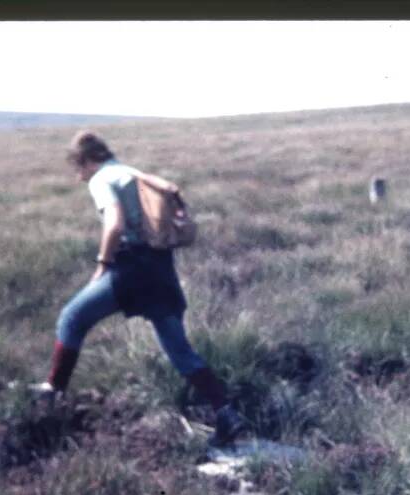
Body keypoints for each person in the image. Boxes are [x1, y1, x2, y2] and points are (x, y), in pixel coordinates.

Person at [29, 130, 247, 447]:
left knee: (71, 319)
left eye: (78, 169)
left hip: (131, 270)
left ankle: (53, 394)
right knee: (180, 351)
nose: (79, 178)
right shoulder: (131, 171)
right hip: (161, 269)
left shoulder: (101, 179)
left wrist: (102, 264)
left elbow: (114, 223)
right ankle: (227, 414)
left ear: (86, 161)